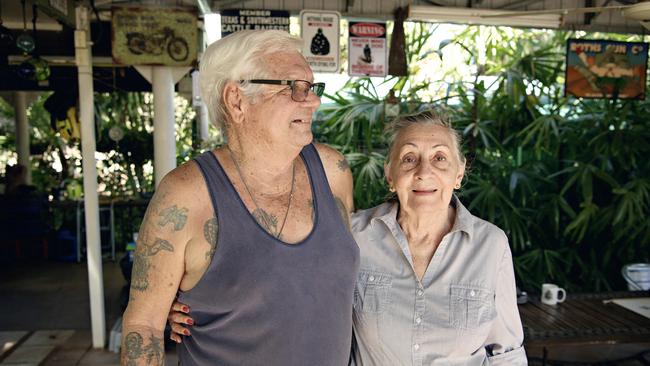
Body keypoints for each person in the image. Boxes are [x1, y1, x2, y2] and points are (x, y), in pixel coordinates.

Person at [169, 110, 527, 365]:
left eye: (439, 158)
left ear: (459, 174)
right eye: (409, 159)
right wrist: (198, 303)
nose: (424, 171)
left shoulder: (490, 245)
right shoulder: (353, 234)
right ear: (390, 175)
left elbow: (507, 352)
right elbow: (286, 283)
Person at [120, 30, 359, 366]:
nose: (314, 100)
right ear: (236, 100)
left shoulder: (333, 171)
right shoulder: (186, 195)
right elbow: (143, 326)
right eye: (294, 87)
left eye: (312, 87)